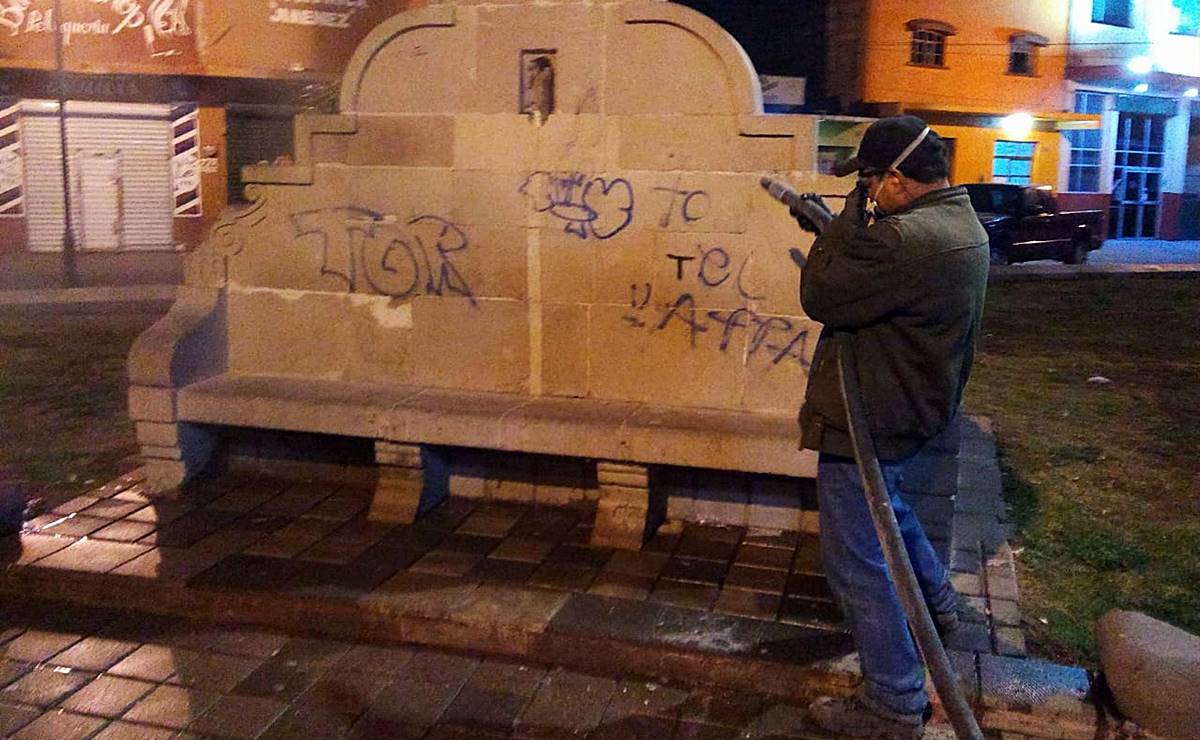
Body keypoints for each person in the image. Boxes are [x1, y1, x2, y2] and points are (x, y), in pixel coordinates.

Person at [788, 115, 989, 738]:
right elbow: (871, 279)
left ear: (898, 178)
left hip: (869, 417)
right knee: (891, 515)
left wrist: (839, 224)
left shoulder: (907, 240)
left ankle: (894, 700)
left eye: (871, 182)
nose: (868, 193)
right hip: (909, 405)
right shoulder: (958, 224)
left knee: (857, 560)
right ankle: (939, 610)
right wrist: (845, 229)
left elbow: (822, 294)